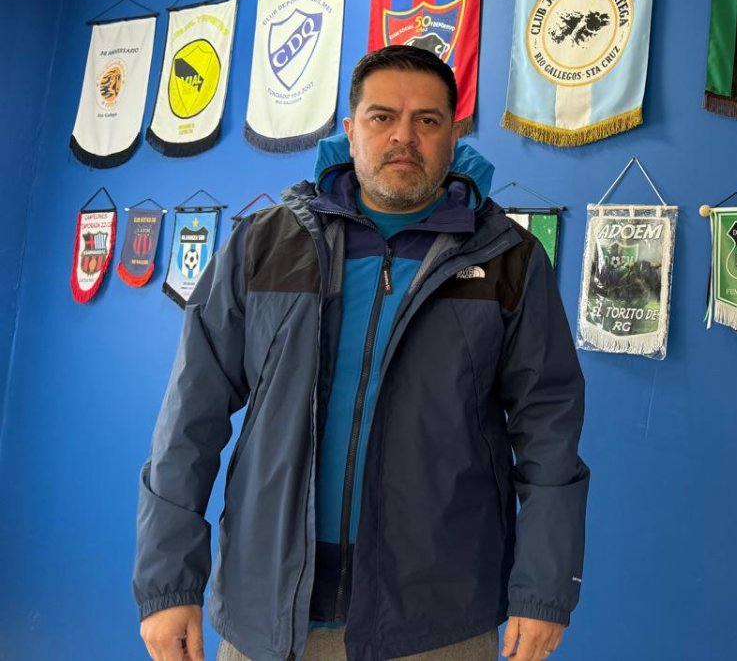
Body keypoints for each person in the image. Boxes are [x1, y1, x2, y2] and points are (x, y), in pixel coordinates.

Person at [134, 45, 588, 661]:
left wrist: (544, 588)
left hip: (439, 620)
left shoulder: (508, 259)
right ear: (350, 131)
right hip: (268, 610)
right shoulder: (262, 245)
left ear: (453, 135)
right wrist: (168, 582)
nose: (404, 136)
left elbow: (549, 430)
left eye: (427, 120)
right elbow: (191, 416)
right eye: (382, 117)